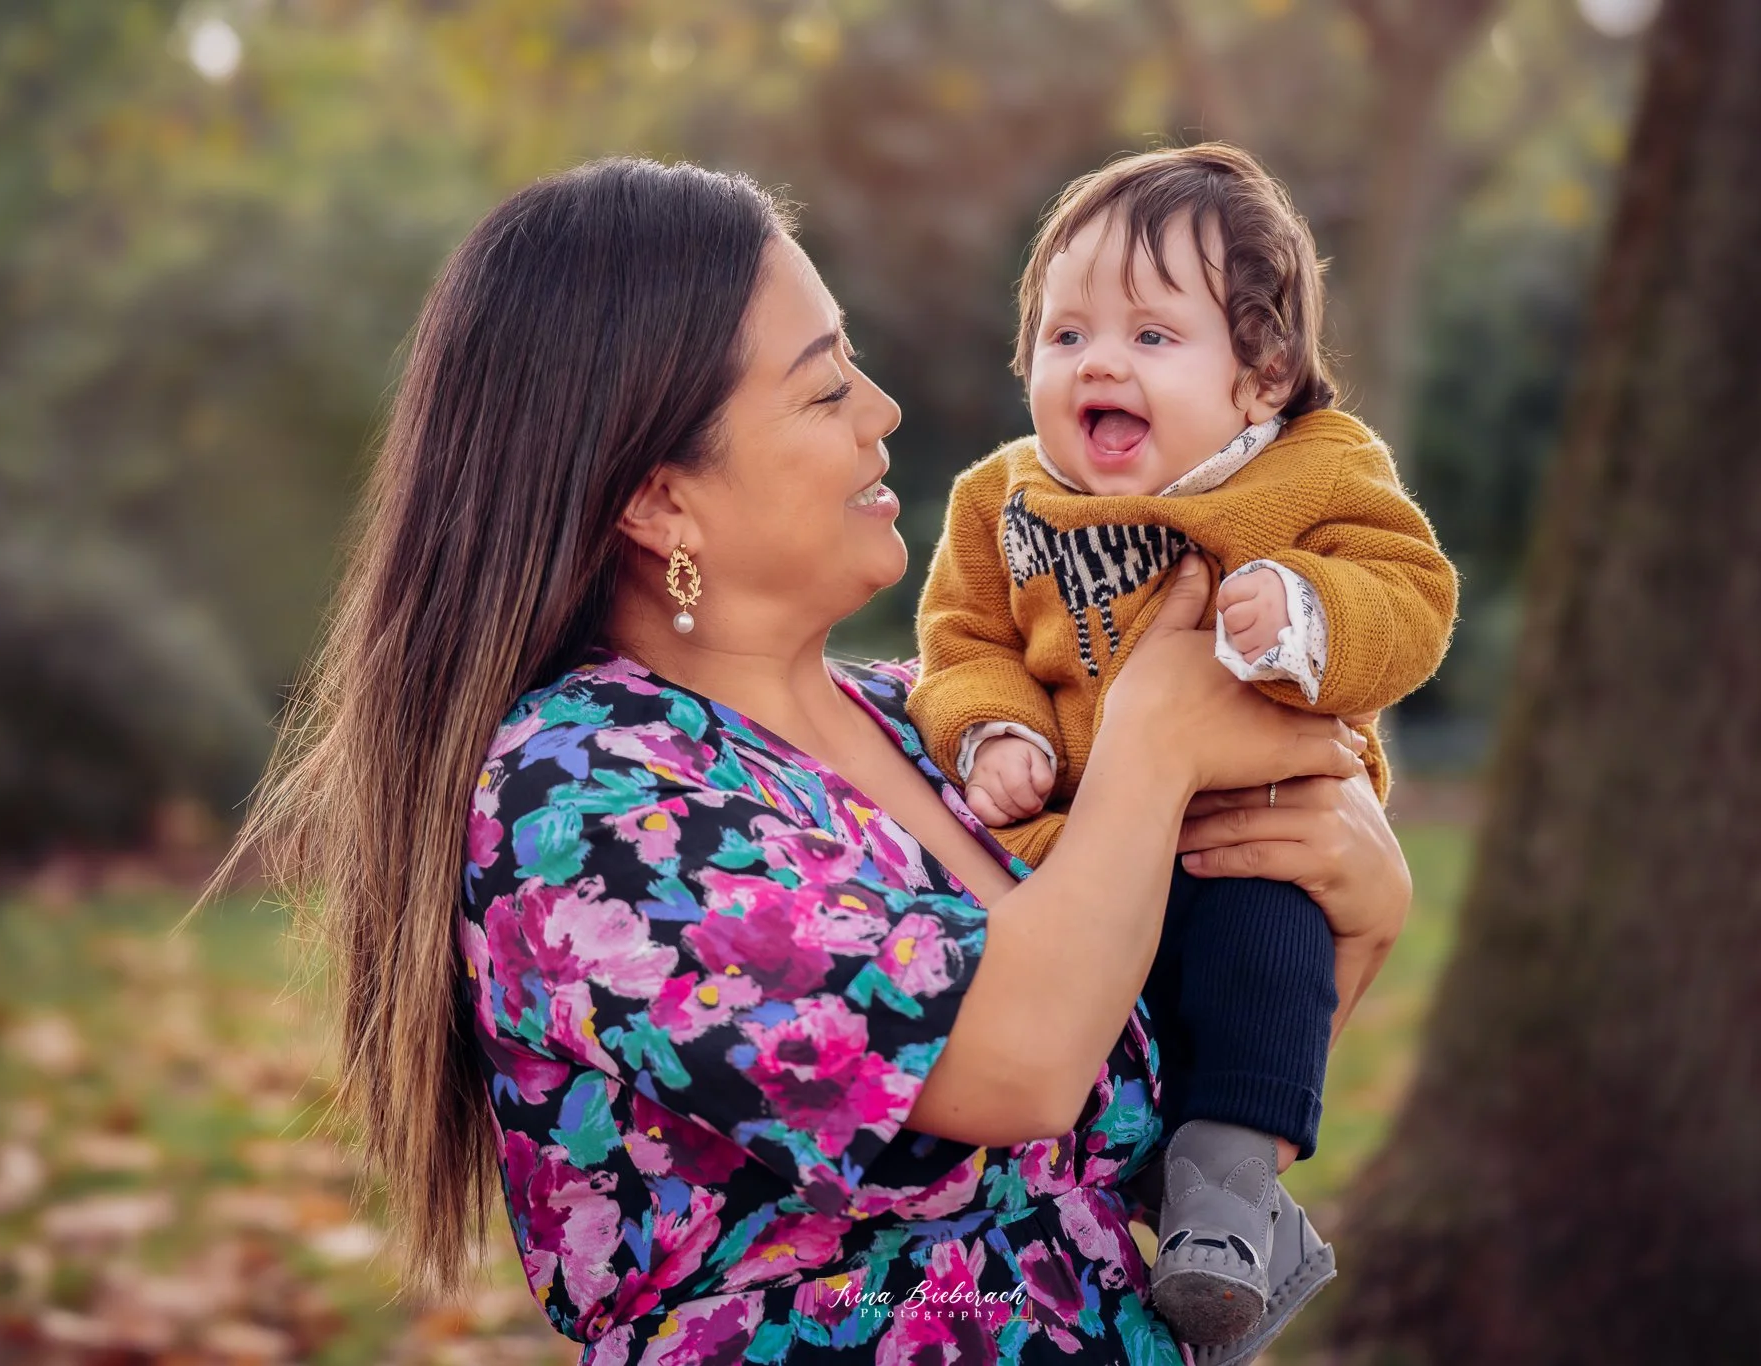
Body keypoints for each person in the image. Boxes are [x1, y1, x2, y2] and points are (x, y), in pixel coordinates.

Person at [227, 157, 1412, 1365]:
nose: (882, 411)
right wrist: (1156, 737)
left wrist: (1354, 914)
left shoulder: (948, 733)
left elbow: (1145, 1103)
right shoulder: (583, 800)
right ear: (657, 502)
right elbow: (1013, 1067)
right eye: (821, 388)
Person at [907, 143, 1456, 1346]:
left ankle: (1226, 1191)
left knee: (1260, 960)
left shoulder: (1315, 469)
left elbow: (1409, 594)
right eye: (1064, 336)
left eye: (1152, 337)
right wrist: (989, 726)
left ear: (1259, 376)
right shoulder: (1001, 503)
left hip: (1255, 822)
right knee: (1105, 1025)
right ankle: (1228, 1224)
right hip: (1079, 840)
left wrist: (1305, 608)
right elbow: (960, 639)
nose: (1097, 360)